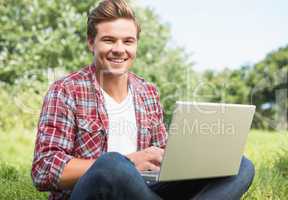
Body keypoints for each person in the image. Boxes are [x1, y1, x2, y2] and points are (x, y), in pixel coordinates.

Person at [31, 0, 255, 199]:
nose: (119, 49)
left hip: (144, 190)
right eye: (109, 40)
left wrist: (182, 160)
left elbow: (161, 155)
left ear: (136, 44)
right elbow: (44, 170)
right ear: (92, 43)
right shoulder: (66, 90)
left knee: (241, 166)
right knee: (112, 164)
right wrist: (130, 161)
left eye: (128, 41)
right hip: (98, 190)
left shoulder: (148, 92)